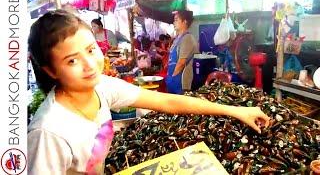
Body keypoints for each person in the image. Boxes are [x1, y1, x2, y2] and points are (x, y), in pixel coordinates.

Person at [27, 10, 270, 174]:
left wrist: (235, 110)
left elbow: (166, 101)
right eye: (71, 61)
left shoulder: (101, 87)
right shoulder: (48, 133)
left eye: (91, 50)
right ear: (50, 70)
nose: (89, 65)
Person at [166, 10, 198, 94]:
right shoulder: (177, 39)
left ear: (185, 22)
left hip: (180, 81)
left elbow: (181, 63)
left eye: (176, 20)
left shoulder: (187, 38)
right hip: (173, 79)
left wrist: (172, 77)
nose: (174, 22)